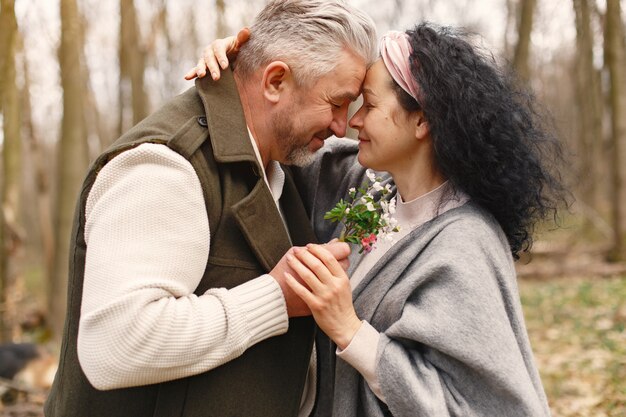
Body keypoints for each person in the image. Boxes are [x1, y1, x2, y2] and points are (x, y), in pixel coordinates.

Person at [192, 22, 568, 416]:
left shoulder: (465, 244)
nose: (352, 122)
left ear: (422, 121)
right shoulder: (367, 189)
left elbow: (471, 406)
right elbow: (278, 138)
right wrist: (244, 73)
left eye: (369, 106)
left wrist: (349, 329)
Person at [44, 1, 378, 417]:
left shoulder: (281, 159)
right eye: (336, 102)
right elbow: (115, 343)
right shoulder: (166, 166)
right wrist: (275, 298)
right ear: (275, 81)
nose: (341, 126)